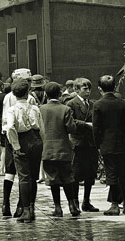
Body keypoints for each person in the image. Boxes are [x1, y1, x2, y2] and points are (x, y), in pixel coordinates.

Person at [93, 75, 125, 216]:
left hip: (108, 145)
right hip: (123, 144)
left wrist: (98, 144)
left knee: (111, 174)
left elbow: (96, 129)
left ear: (99, 88)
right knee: (124, 174)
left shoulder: (98, 105)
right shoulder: (122, 104)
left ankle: (115, 204)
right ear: (114, 87)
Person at [39, 82, 82, 217]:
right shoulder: (65, 109)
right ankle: (72, 205)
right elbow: (71, 128)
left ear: (46, 94)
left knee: (53, 179)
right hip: (63, 149)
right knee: (67, 177)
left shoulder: (41, 109)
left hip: (47, 149)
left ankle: (57, 207)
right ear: (59, 94)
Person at [4, 79, 43, 223]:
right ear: (28, 93)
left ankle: (25, 209)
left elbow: (10, 128)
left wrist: (16, 146)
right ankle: (32, 207)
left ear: (14, 95)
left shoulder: (12, 109)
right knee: (33, 176)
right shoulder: (35, 108)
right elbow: (41, 128)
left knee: (23, 177)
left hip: (22, 140)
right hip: (36, 140)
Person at [66, 78, 99, 212]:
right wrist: (85, 124)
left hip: (91, 143)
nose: (88, 91)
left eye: (89, 89)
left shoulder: (93, 104)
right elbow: (70, 121)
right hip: (77, 142)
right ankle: (75, 201)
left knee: (90, 173)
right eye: (85, 89)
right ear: (76, 89)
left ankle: (87, 201)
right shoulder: (71, 104)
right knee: (76, 173)